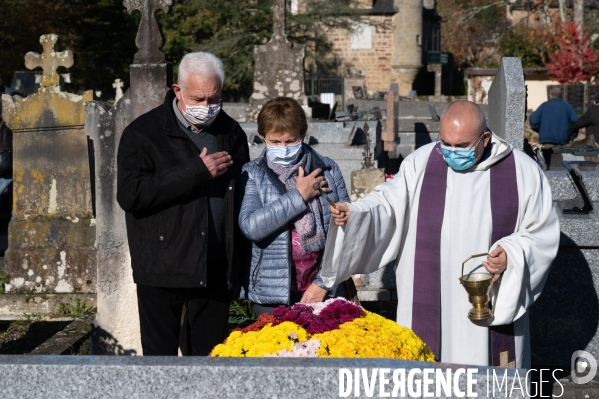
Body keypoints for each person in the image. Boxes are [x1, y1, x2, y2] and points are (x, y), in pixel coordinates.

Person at [322, 100, 559, 368]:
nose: (451, 152)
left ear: (485, 138)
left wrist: (512, 254)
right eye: (446, 143)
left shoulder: (522, 171)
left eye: (461, 146)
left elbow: (542, 234)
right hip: (428, 292)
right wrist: (354, 214)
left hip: (490, 297)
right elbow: (388, 203)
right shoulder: (421, 163)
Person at [116, 52, 250, 356]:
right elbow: (131, 195)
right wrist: (195, 172)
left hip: (215, 269)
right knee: (160, 363)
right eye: (198, 99)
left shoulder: (230, 133)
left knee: (208, 361)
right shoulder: (143, 134)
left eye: (213, 99)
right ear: (178, 91)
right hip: (163, 269)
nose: (206, 108)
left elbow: (241, 196)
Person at [238, 97, 350, 315]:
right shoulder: (253, 173)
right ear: (263, 138)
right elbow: (251, 227)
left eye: (290, 141)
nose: (284, 148)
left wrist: (324, 284)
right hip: (271, 293)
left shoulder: (327, 169)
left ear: (303, 135)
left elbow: (346, 232)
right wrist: (299, 196)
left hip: (323, 288)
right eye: (275, 142)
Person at [529, 87, 578, 168]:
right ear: (561, 95)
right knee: (560, 165)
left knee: (546, 164)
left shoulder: (544, 106)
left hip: (547, 140)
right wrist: (572, 136)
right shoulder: (567, 106)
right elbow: (576, 122)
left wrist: (540, 131)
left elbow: (533, 120)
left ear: (550, 95)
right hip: (563, 139)